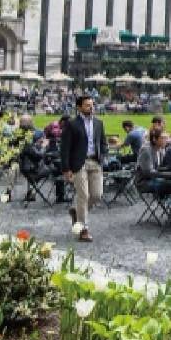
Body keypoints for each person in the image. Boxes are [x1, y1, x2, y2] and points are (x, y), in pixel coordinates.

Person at [59, 95, 107, 243]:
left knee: (97, 195)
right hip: (79, 164)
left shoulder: (99, 123)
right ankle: (83, 229)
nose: (91, 108)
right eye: (87, 105)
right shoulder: (72, 124)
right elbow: (65, 148)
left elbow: (103, 143)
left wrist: (103, 156)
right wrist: (66, 169)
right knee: (83, 196)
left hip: (95, 162)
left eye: (92, 105)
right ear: (79, 107)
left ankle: (76, 210)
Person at [133, 126, 171, 197]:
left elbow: (161, 167)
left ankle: (167, 202)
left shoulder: (160, 148)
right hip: (144, 183)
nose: (166, 141)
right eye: (163, 138)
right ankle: (169, 203)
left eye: (166, 138)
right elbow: (148, 172)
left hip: (155, 178)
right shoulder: (146, 150)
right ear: (154, 139)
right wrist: (169, 175)